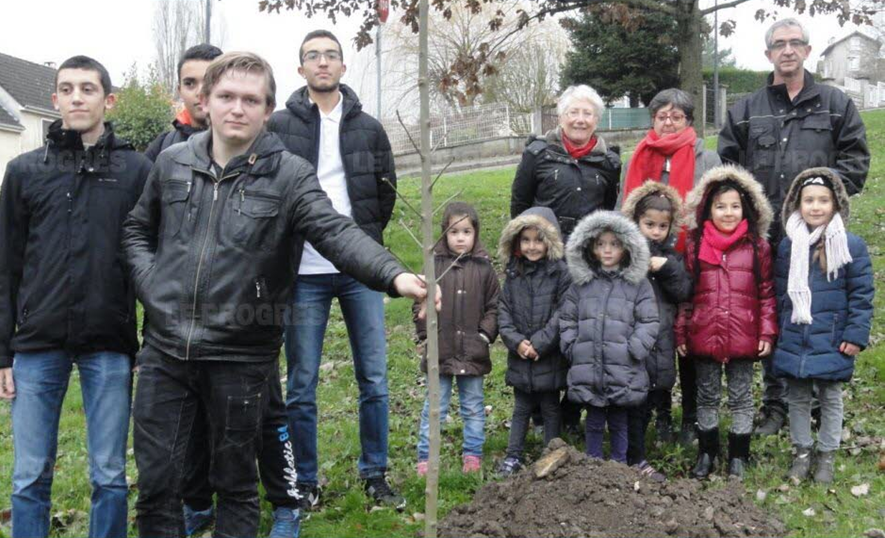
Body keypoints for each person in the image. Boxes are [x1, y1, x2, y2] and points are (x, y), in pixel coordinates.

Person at [122, 51, 430, 538]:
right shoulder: (171, 163)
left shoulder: (289, 175)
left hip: (241, 354)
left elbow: (335, 231)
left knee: (236, 485)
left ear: (268, 111)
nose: (237, 108)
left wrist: (393, 274)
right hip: (166, 353)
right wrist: (151, 285)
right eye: (226, 96)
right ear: (205, 101)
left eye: (250, 99)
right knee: (159, 485)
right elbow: (137, 231)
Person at [0, 56, 152, 538]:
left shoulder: (136, 170)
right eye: (67, 89)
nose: (77, 98)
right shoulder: (24, 171)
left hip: (109, 341)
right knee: (28, 476)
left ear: (108, 100)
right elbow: (6, 265)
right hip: (37, 343)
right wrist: (2, 350)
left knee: (109, 474)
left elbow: (154, 261)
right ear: (55, 101)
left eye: (88, 89)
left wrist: (151, 341)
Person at [266, 30, 402, 510]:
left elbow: (384, 194)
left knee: (375, 379)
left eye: (331, 55)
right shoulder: (278, 127)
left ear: (343, 67)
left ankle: (376, 473)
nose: (322, 62)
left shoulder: (370, 128)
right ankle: (305, 479)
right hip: (302, 272)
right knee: (301, 383)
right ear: (300, 68)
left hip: (359, 269)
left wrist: (362, 245)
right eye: (312, 56)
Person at [718, 17, 870, 436]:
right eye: (778, 44)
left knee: (822, 312)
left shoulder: (835, 104)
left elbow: (856, 162)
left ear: (807, 50)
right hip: (766, 237)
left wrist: (822, 203)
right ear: (768, 54)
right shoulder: (747, 110)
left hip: (821, 237)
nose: (787, 50)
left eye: (795, 43)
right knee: (774, 315)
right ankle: (775, 403)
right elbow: (728, 169)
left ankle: (822, 398)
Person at [623, 87, 720, 446]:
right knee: (655, 341)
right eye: (661, 116)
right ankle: (656, 413)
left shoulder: (707, 158)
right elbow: (625, 207)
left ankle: (691, 418)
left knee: (689, 344)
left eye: (676, 116)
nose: (668, 122)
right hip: (645, 265)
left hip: (692, 261)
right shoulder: (635, 157)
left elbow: (715, 209)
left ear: (688, 121)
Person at [773, 168, 873, 484]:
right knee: (798, 397)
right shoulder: (789, 246)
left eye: (823, 200)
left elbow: (861, 295)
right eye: (809, 200)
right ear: (796, 204)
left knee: (830, 397)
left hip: (833, 337)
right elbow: (778, 293)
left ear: (836, 204)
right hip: (796, 336)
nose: (816, 207)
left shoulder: (850, 246)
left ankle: (827, 455)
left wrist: (855, 334)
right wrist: (778, 330)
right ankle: (802, 452)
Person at [676, 165, 777, 480]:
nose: (728, 212)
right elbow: (686, 294)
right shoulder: (695, 245)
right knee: (706, 394)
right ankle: (707, 452)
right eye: (721, 206)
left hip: (743, 335)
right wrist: (682, 329)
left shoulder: (756, 246)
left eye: (735, 206)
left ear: (746, 207)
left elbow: (766, 294)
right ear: (708, 209)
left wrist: (766, 332)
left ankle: (738, 455)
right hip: (704, 333)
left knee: (741, 395)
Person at [559, 211, 660, 464]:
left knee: (619, 420)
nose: (607, 250)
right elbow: (567, 319)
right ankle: (593, 465)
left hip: (623, 367)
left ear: (626, 248)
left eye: (614, 244)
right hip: (589, 366)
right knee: (593, 420)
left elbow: (649, 321)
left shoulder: (638, 285)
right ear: (590, 247)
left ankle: (619, 466)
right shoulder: (580, 285)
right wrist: (572, 346)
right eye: (600, 244)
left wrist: (634, 349)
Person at [414, 202, 499, 476]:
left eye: (466, 231)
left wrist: (485, 335)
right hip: (441, 348)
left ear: (475, 234)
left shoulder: (485, 270)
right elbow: (420, 302)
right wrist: (426, 334)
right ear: (443, 234)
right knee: (434, 406)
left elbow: (496, 306)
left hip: (473, 350)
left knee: (473, 406)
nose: (460, 238)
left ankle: (472, 455)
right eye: (453, 232)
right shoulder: (434, 266)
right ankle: (427, 458)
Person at [621, 182, 692, 481]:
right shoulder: (627, 256)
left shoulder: (672, 259)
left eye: (662, 226)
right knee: (635, 386)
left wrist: (667, 268)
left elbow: (683, 291)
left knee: (660, 380)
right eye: (649, 224)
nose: (655, 231)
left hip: (662, 333)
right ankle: (633, 440)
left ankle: (661, 421)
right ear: (636, 222)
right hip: (633, 333)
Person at [495, 207, 571, 476]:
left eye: (538, 239)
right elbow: (503, 311)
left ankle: (551, 452)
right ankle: (513, 456)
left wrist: (540, 343)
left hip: (546, 355)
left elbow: (563, 313)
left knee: (550, 406)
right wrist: (517, 342)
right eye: (525, 240)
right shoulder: (514, 272)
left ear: (549, 241)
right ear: (516, 242)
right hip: (520, 355)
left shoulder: (560, 273)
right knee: (521, 408)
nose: (532, 246)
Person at [510, 84, 621, 240]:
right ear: (561, 118)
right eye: (573, 112)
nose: (580, 120)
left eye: (588, 114)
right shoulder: (537, 153)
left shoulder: (610, 162)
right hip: (545, 246)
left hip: (589, 248)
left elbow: (610, 208)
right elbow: (520, 204)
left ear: (596, 121)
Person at [144, 43, 223, 162]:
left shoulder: (249, 146)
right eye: (190, 83)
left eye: (209, 81)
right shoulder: (162, 147)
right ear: (180, 91)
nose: (200, 92)